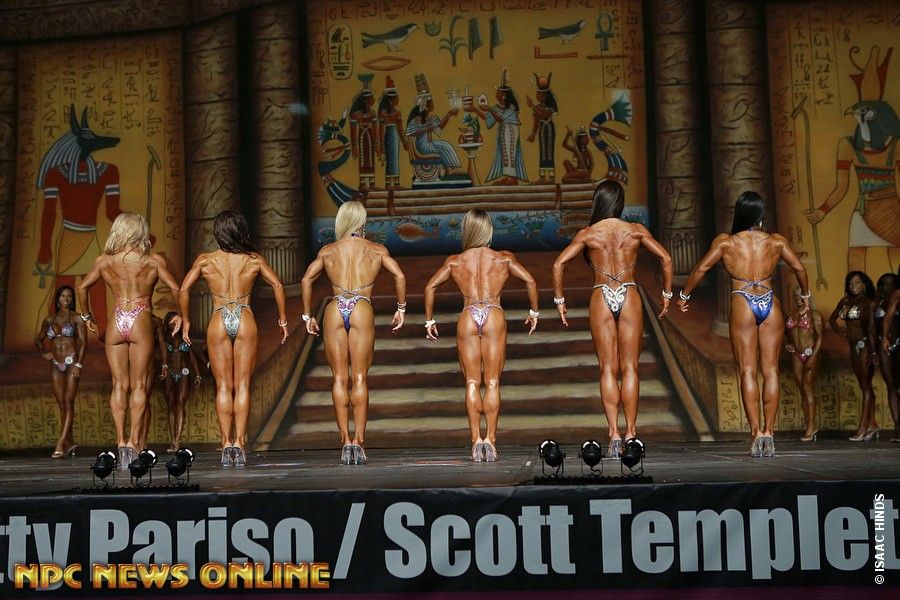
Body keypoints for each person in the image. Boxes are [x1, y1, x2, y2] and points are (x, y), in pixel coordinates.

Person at [678, 191, 809, 457]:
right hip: (770, 301)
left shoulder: (727, 242)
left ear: (739, 214)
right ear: (761, 216)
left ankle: (756, 433)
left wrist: (684, 295)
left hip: (742, 301)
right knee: (771, 371)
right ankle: (770, 432)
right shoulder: (776, 242)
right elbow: (799, 269)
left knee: (748, 371)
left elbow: (701, 269)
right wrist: (805, 296)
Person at [553, 181, 673, 457]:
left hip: (601, 294)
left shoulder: (588, 234)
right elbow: (666, 259)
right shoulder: (635, 230)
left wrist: (560, 301)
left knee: (607, 368)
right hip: (628, 293)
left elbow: (559, 263)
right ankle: (631, 432)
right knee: (630, 368)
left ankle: (614, 434)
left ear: (598, 202)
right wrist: (667, 294)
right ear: (619, 203)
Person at [424, 209, 539, 462]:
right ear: (488, 230)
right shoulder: (503, 258)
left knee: (472, 383)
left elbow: (430, 286)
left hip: (468, 314)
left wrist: (429, 320)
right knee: (493, 382)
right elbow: (530, 281)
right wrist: (534, 312)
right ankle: (491, 440)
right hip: (493, 312)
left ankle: (476, 441)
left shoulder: (455, 261)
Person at [179, 210, 288, 467]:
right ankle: (240, 443)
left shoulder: (206, 260)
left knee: (223, 387)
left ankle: (226, 443)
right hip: (244, 316)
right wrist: (283, 320)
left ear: (218, 234)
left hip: (219, 317)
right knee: (243, 385)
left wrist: (186, 320)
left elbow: (183, 288)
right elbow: (277, 285)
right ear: (240, 231)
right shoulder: (253, 260)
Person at [301, 201, 406, 465]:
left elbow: (306, 280)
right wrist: (401, 308)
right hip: (361, 306)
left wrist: (307, 315)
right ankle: (359, 441)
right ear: (361, 221)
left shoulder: (328, 251)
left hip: (336, 307)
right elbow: (399, 275)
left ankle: (345, 442)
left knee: (339, 378)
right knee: (359, 377)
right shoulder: (376, 249)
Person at [76, 212, 182, 468]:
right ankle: (134, 442)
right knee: (139, 385)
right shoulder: (152, 261)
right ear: (140, 232)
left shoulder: (104, 261)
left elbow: (81, 287)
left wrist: (87, 316)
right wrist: (180, 314)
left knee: (118, 385)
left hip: (117, 320)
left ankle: (121, 441)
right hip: (140, 317)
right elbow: (176, 288)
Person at [34, 285, 86, 458]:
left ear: (72, 299)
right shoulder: (50, 319)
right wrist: (44, 352)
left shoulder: (77, 318)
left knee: (68, 402)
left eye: (69, 296)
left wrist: (79, 365)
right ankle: (69, 443)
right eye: (63, 296)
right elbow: (39, 339)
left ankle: (60, 443)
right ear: (57, 299)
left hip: (72, 362)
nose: (66, 299)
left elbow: (83, 343)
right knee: (61, 404)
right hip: (56, 363)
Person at [829, 271, 879, 441]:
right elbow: (832, 320)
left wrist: (873, 351)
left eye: (857, 282)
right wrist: (841, 331)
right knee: (864, 386)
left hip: (864, 346)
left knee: (866, 386)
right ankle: (873, 424)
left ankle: (863, 427)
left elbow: (871, 329)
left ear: (864, 284)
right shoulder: (846, 302)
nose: (853, 286)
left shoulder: (869, 303)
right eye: (850, 283)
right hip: (853, 347)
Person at [469, 69, 528, 185]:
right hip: (503, 130)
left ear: (505, 96)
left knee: (510, 152)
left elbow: (500, 119)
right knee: (504, 152)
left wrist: (489, 108)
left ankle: (512, 178)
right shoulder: (497, 107)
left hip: (511, 130)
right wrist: (475, 109)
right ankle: (508, 176)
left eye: (499, 93)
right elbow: (487, 117)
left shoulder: (511, 107)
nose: (496, 95)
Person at [783, 285, 824, 441]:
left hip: (811, 352)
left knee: (807, 387)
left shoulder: (815, 315)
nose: (798, 298)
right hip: (796, 355)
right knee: (802, 389)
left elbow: (820, 338)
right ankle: (810, 424)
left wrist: (813, 357)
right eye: (795, 295)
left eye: (801, 295)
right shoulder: (790, 315)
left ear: (807, 296)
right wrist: (788, 344)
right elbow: (786, 334)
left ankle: (811, 427)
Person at [160, 311, 202, 452]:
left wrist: (198, 375)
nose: (175, 325)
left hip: (184, 371)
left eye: (177, 321)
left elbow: (192, 357)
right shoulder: (165, 338)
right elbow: (159, 354)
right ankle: (172, 439)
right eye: (172, 323)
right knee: (171, 404)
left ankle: (177, 440)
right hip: (170, 372)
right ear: (167, 325)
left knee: (180, 403)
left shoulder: (185, 336)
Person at [882, 272, 900, 442]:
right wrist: (885, 337)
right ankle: (898, 427)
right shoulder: (898, 294)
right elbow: (888, 316)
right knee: (893, 384)